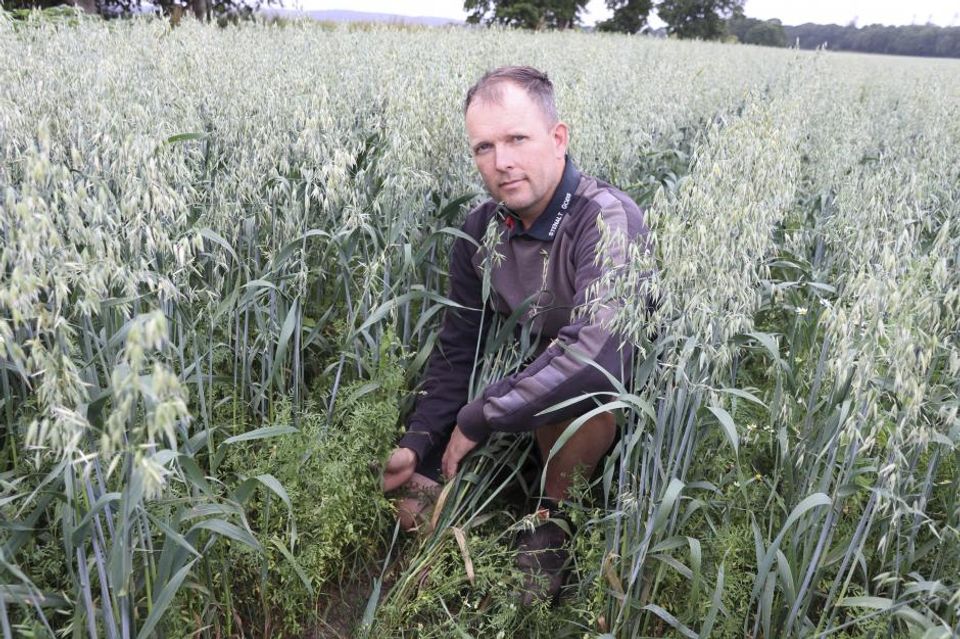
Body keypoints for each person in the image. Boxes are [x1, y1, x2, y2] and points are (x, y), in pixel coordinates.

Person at [381, 65, 649, 602]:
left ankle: (553, 516)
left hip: (596, 403)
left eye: (516, 139)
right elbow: (461, 345)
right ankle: (471, 523)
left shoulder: (607, 219)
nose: (501, 162)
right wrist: (420, 441)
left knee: (582, 393)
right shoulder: (480, 229)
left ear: (558, 138)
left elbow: (598, 354)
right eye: (484, 147)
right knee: (407, 506)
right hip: (519, 391)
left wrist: (482, 415)